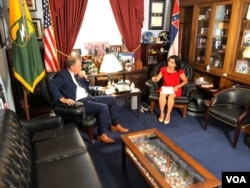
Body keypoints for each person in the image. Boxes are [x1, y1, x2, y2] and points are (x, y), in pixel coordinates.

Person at [49, 57, 129, 144]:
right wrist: (62, 99)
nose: (81, 67)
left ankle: (115, 124)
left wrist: (85, 77)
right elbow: (52, 86)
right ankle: (101, 134)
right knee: (103, 108)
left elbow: (85, 88)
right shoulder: (62, 75)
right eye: (79, 65)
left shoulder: (76, 75)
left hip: (89, 98)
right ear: (72, 67)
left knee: (112, 99)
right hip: (81, 102)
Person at [152, 55, 188, 125]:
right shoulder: (163, 69)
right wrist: (154, 79)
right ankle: (162, 113)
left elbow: (186, 81)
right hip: (165, 87)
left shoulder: (179, 71)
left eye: (172, 62)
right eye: (169, 61)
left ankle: (168, 115)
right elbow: (158, 78)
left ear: (175, 64)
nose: (169, 63)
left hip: (175, 88)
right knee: (162, 94)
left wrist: (178, 86)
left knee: (171, 96)